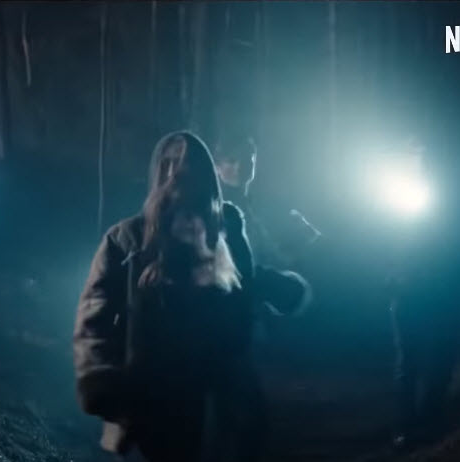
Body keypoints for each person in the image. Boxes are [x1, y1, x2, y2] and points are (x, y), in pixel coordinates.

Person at [73, 131, 312, 461]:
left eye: (187, 165)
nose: (177, 174)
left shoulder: (226, 227)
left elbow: (243, 281)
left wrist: (279, 288)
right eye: (169, 164)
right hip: (152, 393)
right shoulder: (127, 238)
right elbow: (95, 312)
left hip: (217, 390)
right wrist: (98, 376)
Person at [381, 145, 460, 450]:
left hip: (441, 287)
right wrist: (392, 274)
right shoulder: (398, 195)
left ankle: (428, 419)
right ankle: (407, 426)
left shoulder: (451, 197)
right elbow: (384, 240)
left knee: (439, 358)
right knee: (410, 359)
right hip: (409, 287)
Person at [212, 135, 320, 269]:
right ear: (217, 166)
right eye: (231, 161)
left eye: (246, 158)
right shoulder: (215, 209)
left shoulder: (266, 205)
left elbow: (308, 239)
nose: (239, 166)